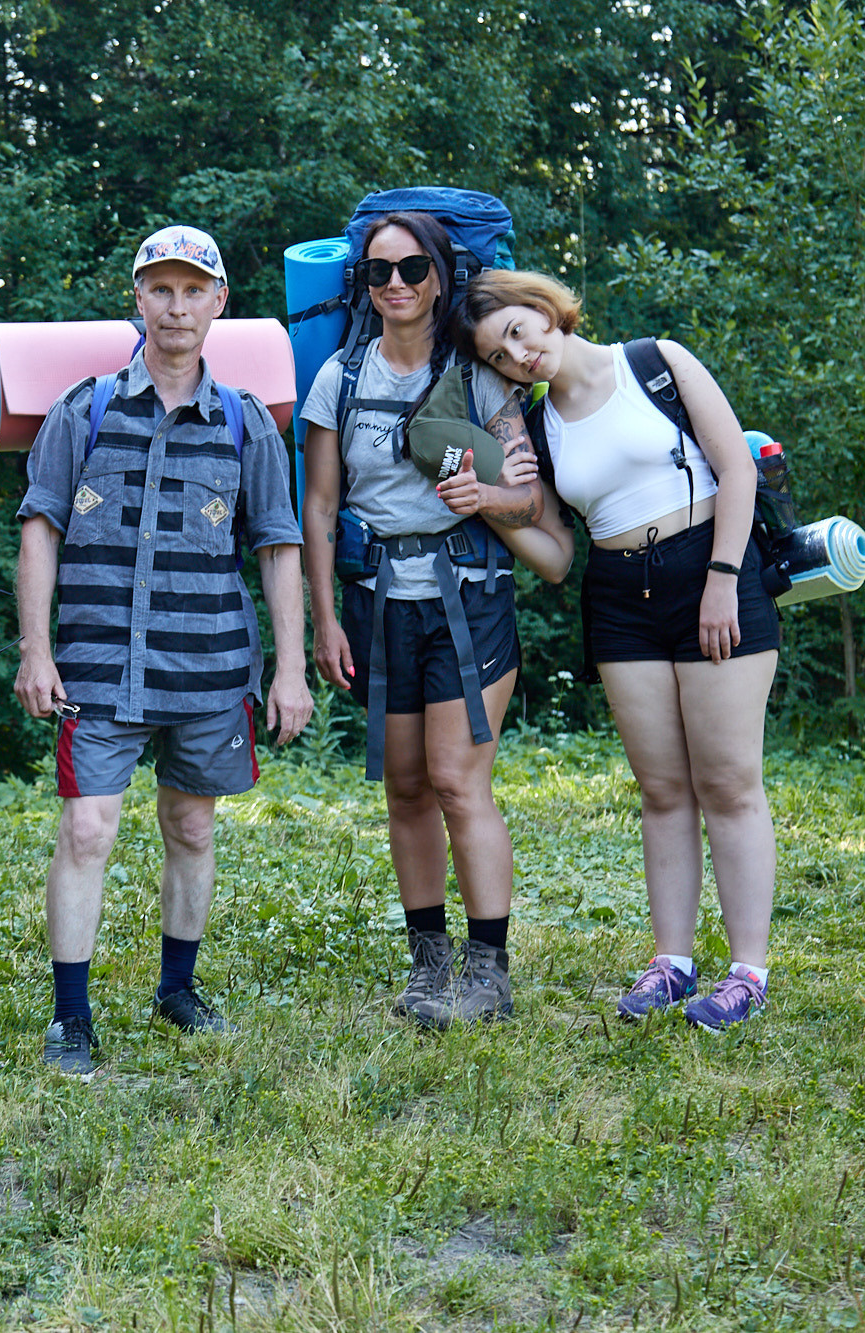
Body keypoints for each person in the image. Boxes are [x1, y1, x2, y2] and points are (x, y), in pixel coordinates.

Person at [15, 225, 312, 1076]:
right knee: (87, 829)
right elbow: (39, 529)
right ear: (136, 299)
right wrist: (37, 650)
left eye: (194, 290)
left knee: (190, 823)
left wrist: (289, 669)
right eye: (161, 289)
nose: (177, 307)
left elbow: (279, 544)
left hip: (211, 668)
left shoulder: (247, 424)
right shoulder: (85, 410)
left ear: (220, 303)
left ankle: (177, 989)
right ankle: (71, 1016)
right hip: (99, 666)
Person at [456, 269, 779, 1031]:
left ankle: (748, 972)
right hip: (618, 594)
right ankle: (672, 961)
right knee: (662, 787)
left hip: (712, 569)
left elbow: (736, 468)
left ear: (543, 309)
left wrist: (724, 579)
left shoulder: (655, 362)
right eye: (499, 356)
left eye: (517, 332)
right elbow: (559, 554)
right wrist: (490, 509)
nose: (518, 356)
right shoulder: (537, 428)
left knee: (729, 781)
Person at [298, 211, 544, 1030]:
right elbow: (321, 506)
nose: (395, 285)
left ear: (440, 277)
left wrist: (486, 496)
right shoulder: (340, 375)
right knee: (404, 787)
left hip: (467, 595)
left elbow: (529, 495)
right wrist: (323, 617)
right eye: (378, 273)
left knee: (456, 780)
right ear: (362, 285)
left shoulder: (478, 375)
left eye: (410, 270)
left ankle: (489, 968)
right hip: (376, 604)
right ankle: (428, 964)